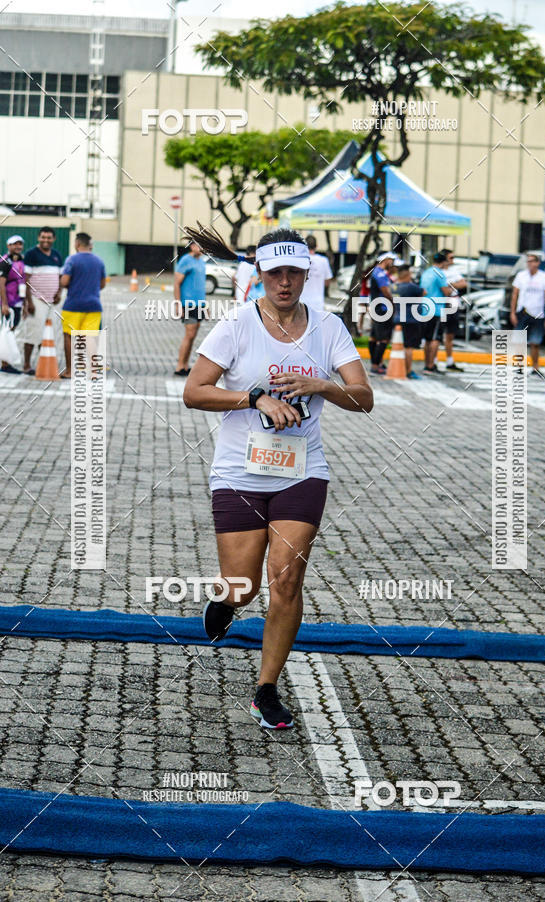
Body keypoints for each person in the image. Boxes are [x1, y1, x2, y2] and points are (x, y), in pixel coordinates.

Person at [182, 225, 373, 729]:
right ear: (261, 274)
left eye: (293, 272)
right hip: (239, 472)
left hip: (302, 471)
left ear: (307, 273)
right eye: (275, 273)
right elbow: (194, 391)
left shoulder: (329, 328)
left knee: (285, 581)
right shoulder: (237, 325)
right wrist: (253, 397)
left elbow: (364, 398)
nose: (284, 282)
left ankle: (266, 688)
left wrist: (322, 384)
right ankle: (227, 601)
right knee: (243, 586)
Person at [59, 232, 106, 379]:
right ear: (89, 245)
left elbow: (64, 281)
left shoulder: (71, 260)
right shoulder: (99, 261)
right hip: (93, 305)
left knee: (69, 337)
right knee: (90, 338)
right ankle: (94, 372)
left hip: (73, 305)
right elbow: (102, 284)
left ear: (77, 244)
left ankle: (69, 371)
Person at [22, 226, 63, 375]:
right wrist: (29, 302)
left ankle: (44, 363)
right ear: (38, 238)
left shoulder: (57, 255)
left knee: (47, 333)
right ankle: (26, 364)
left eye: (49, 237)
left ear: (54, 239)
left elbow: (60, 277)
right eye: (43, 237)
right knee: (33, 333)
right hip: (36, 299)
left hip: (52, 302)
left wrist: (59, 293)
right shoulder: (31, 254)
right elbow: (25, 280)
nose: (46, 240)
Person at [510, 253, 545, 375]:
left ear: (538, 263)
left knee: (535, 342)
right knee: (519, 341)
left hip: (538, 313)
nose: (529, 264)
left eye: (532, 261)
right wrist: (512, 312)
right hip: (523, 312)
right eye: (528, 261)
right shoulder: (521, 276)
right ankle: (519, 366)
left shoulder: (544, 277)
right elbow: (514, 295)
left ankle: (535, 367)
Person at [174, 241, 207, 377]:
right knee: (189, 334)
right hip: (187, 304)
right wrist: (178, 304)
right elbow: (177, 283)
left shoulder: (202, 262)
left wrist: (205, 305)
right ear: (192, 246)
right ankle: (179, 366)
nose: (201, 248)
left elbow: (200, 285)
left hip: (199, 304)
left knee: (193, 336)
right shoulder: (185, 260)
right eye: (199, 245)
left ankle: (185, 365)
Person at [419, 252, 453, 375]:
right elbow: (446, 291)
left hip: (425, 308)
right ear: (443, 262)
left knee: (427, 339)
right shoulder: (440, 274)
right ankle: (430, 365)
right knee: (435, 339)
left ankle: (426, 364)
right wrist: (451, 289)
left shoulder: (426, 272)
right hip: (437, 309)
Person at [391, 264, 424, 379]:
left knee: (401, 345)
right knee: (409, 347)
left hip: (398, 318)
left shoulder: (394, 286)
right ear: (408, 275)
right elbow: (424, 292)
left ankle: (402, 368)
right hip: (410, 320)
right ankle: (408, 371)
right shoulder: (411, 287)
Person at [0, 235, 26, 374]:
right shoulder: (5, 262)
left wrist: (25, 303)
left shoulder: (21, 260)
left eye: (20, 244)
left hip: (17, 301)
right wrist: (4, 304)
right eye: (14, 244)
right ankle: (5, 363)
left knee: (11, 330)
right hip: (8, 303)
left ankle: (6, 360)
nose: (18, 247)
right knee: (7, 331)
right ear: (8, 246)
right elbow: (1, 284)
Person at [440, 248, 467, 372]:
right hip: (441, 302)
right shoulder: (438, 271)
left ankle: (449, 360)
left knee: (451, 333)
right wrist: (452, 284)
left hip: (453, 301)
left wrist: (450, 284)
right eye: (451, 258)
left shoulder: (454, 271)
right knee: (438, 333)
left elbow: (463, 283)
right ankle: (433, 361)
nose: (453, 260)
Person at [369, 252, 395, 375]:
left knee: (374, 336)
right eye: (391, 260)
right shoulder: (380, 273)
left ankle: (376, 363)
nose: (393, 263)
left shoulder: (376, 271)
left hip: (376, 306)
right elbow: (385, 290)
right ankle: (375, 365)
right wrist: (393, 301)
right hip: (382, 308)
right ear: (385, 259)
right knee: (384, 338)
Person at [299, 235, 333, 313]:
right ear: (316, 246)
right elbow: (327, 282)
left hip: (301, 302)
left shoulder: (301, 260)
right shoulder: (323, 261)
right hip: (318, 303)